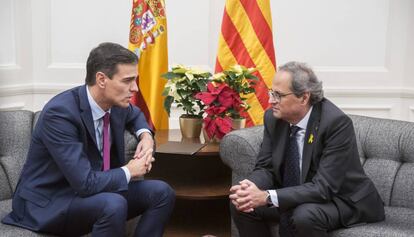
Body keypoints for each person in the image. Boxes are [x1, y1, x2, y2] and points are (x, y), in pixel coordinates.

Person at [2, 42, 175, 237]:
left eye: (135, 80)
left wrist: (146, 136)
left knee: (162, 192)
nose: (134, 88)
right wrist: (130, 170)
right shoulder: (60, 114)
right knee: (113, 204)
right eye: (127, 81)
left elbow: (135, 115)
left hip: (94, 192)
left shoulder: (116, 103)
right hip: (50, 201)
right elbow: (84, 183)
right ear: (101, 79)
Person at [229, 61, 384, 237]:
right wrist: (250, 188)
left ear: (304, 97)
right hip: (302, 195)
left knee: (304, 215)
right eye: (271, 93)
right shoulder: (274, 118)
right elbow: (266, 167)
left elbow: (323, 188)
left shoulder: (335, 124)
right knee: (241, 204)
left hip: (343, 200)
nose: (271, 101)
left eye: (278, 95)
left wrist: (267, 197)